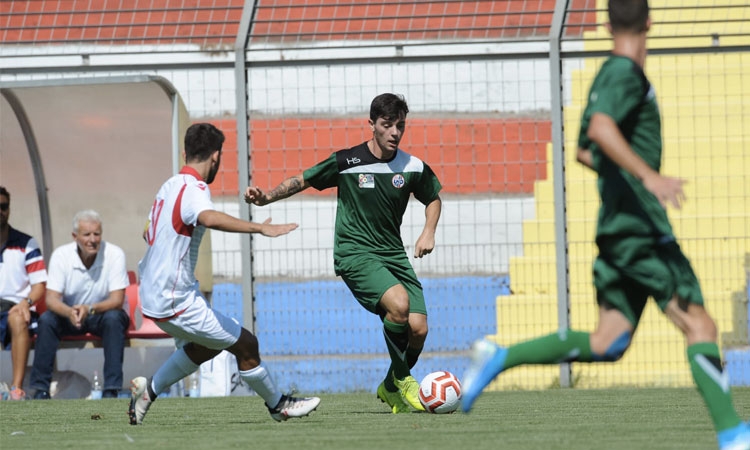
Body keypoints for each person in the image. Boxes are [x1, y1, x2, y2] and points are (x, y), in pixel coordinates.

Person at [460, 1, 750, 449]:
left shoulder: (606, 75)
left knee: (608, 341)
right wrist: (647, 175)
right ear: (649, 22)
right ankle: (734, 435)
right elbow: (598, 129)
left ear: (608, 22)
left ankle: (499, 357)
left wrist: (623, 174)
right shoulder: (625, 74)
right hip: (638, 228)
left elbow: (582, 150)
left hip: (618, 226)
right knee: (701, 328)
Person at [245, 93, 443, 414]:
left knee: (418, 328)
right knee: (399, 306)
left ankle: (390, 386)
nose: (394, 132)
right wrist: (266, 198)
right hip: (355, 254)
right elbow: (303, 179)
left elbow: (433, 198)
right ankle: (405, 380)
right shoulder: (347, 161)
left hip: (393, 255)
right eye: (387, 125)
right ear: (372, 125)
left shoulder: (412, 166)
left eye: (400, 126)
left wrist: (429, 230)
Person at [128, 122, 320, 425]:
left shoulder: (169, 186)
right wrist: (259, 228)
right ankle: (278, 405)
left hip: (152, 295)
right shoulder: (195, 188)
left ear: (185, 152)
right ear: (216, 156)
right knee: (246, 344)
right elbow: (208, 217)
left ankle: (148, 390)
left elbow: (147, 233)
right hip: (173, 298)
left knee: (205, 346)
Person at [30, 210, 130, 400]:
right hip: (71, 314)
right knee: (47, 320)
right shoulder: (61, 255)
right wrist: (69, 312)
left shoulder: (115, 254)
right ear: (75, 237)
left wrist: (89, 309)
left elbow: (117, 300)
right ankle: (40, 389)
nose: (93, 240)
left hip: (102, 314)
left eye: (97, 234)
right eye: (87, 234)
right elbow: (51, 299)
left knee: (114, 319)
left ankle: (112, 389)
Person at [0, 186, 48, 401]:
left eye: (3, 206)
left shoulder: (26, 243)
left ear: (9, 209)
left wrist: (25, 302)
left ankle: (16, 389)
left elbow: (39, 284)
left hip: (14, 306)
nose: (0, 211)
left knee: (18, 318)